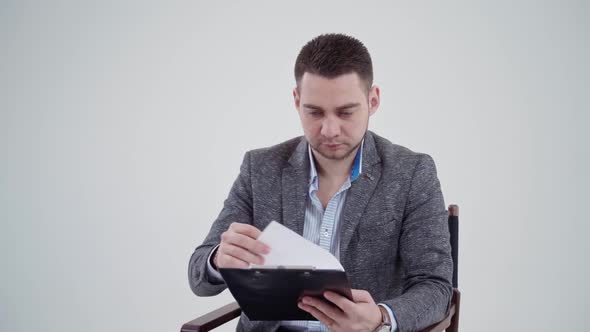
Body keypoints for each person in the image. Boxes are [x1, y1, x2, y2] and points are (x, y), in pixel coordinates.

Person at [188, 33, 453, 332]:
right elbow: (199, 277)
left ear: (373, 100)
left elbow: (436, 288)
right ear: (297, 101)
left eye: (345, 112)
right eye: (314, 112)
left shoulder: (412, 173)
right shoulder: (259, 168)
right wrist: (218, 259)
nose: (329, 130)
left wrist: (380, 317)